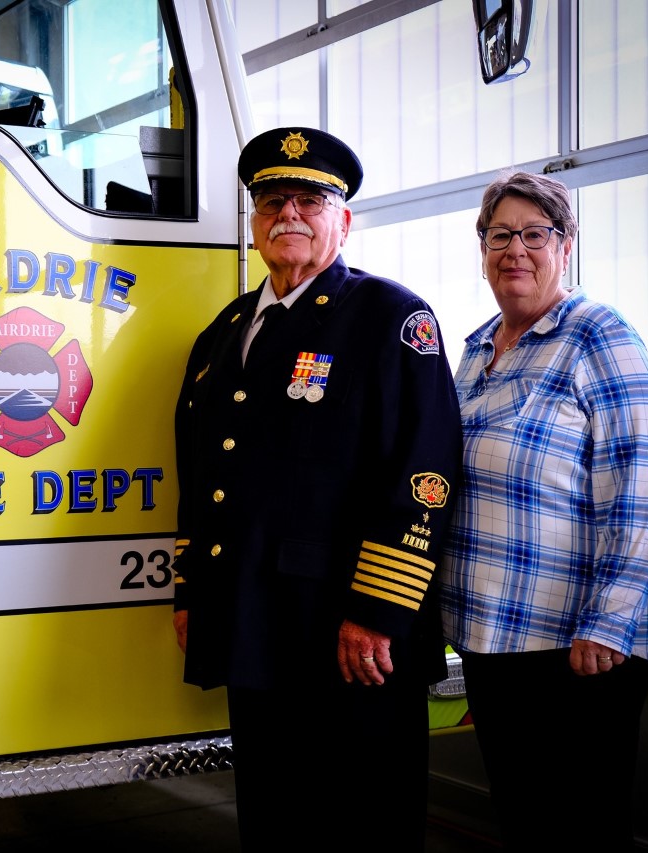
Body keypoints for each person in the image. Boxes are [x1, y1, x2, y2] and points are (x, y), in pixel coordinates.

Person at [171, 126, 463, 850]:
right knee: (274, 815)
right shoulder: (224, 333)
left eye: (310, 200)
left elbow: (424, 474)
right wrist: (192, 591)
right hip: (251, 618)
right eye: (272, 202)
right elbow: (201, 473)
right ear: (254, 221)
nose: (289, 215)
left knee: (364, 821)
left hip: (349, 631)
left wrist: (378, 610)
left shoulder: (391, 318)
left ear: (344, 220)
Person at [439, 169, 648, 852]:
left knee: (581, 828)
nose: (515, 249)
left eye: (534, 234)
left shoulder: (599, 336)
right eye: (499, 235)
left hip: (576, 645)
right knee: (525, 818)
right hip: (491, 635)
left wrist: (607, 623)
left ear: (565, 245)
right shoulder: (476, 348)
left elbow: (641, 489)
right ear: (483, 250)